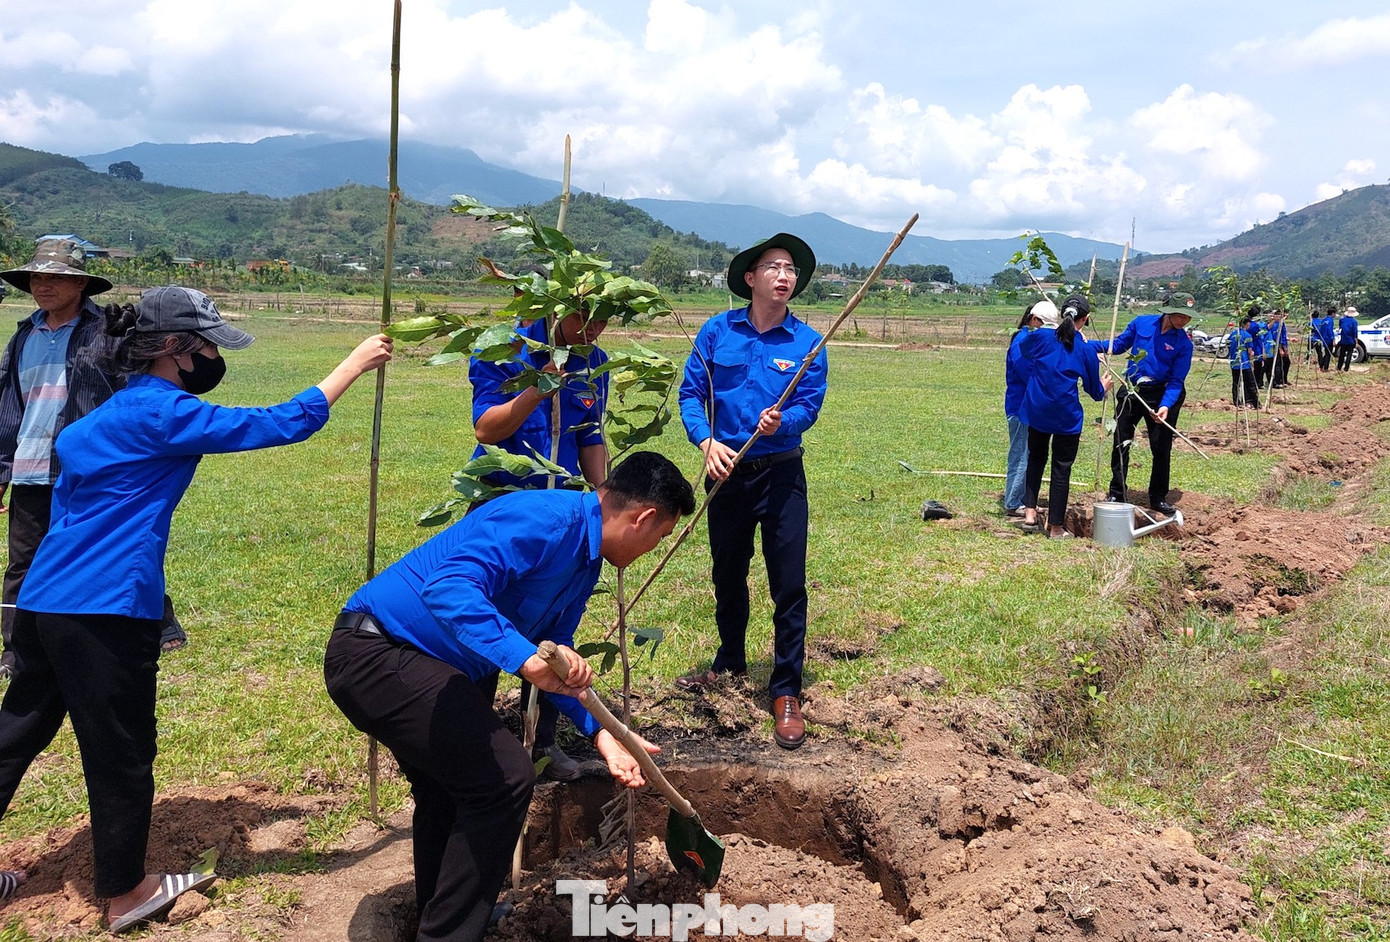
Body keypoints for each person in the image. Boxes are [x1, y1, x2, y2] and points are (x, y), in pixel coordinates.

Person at [0, 286, 392, 931]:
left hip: (43, 600)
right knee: (120, 751)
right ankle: (126, 892)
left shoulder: (93, 420)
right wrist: (353, 362)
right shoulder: (162, 414)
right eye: (207, 346)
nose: (214, 358)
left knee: (16, 733)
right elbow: (283, 422)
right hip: (104, 607)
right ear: (177, 350)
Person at [323, 451, 694, 942]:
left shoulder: (583, 564)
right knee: (503, 780)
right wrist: (523, 658)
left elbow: (558, 665)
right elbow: (449, 587)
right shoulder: (541, 520)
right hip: (378, 653)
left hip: (438, 666)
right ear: (642, 518)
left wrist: (603, 733)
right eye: (661, 536)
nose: (655, 547)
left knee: (449, 790)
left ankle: (440, 916)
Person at [0, 240, 190, 673]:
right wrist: (2, 468)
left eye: (54, 277)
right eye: (36, 276)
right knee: (25, 563)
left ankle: (160, 625)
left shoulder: (109, 331)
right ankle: (19, 649)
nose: (42, 285)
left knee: (112, 549)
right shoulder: (23, 335)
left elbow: (134, 394)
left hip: (92, 471)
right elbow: (9, 406)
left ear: (81, 283)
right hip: (32, 467)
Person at [673, 232, 827, 751]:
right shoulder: (717, 332)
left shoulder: (808, 343)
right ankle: (731, 660)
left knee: (789, 582)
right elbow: (692, 394)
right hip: (728, 474)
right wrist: (706, 440)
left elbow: (810, 404)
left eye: (791, 270)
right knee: (727, 572)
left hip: (782, 474)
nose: (785, 276)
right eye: (774, 267)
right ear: (750, 277)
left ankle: (786, 690)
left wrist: (784, 421)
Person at [469, 301, 610, 781]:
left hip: (565, 517)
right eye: (584, 318)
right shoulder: (503, 350)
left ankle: (542, 742)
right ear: (551, 310)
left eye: (605, 319)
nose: (594, 329)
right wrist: (540, 385)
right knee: (486, 615)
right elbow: (487, 428)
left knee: (552, 624)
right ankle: (473, 736)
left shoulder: (593, 363)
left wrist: (602, 501)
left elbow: (591, 437)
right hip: (503, 510)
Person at [1018, 300, 1111, 539]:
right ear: (1086, 318)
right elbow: (1094, 391)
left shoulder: (1040, 338)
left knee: (1036, 459)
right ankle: (1056, 527)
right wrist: (1104, 385)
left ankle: (1030, 513)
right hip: (1066, 417)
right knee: (1061, 469)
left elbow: (1026, 350)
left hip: (1037, 410)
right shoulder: (1085, 350)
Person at [1097, 292, 1195, 516]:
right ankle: (1117, 492)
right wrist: (1091, 346)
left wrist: (1165, 406)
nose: (1184, 321)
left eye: (1188, 317)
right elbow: (1120, 345)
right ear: (1168, 311)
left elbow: (1176, 381)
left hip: (1162, 393)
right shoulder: (1141, 323)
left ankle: (1158, 497)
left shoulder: (1183, 344)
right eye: (1180, 315)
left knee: (1161, 447)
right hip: (1133, 389)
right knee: (1121, 441)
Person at [1002, 301, 1049, 517]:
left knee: (1025, 452)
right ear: (1033, 320)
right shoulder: (1022, 341)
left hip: (1026, 405)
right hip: (1022, 406)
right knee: (1022, 453)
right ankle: (1013, 501)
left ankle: (1020, 498)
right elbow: (1027, 372)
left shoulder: (1029, 339)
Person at [1229, 313, 1260, 409]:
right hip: (1245, 363)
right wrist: (1252, 362)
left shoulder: (1233, 334)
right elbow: (1250, 352)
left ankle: (1236, 402)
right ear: (1247, 324)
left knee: (1236, 384)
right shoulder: (1247, 335)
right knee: (1250, 384)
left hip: (1234, 363)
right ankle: (1255, 403)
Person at [1268, 309, 1290, 388]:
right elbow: (1276, 337)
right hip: (1276, 346)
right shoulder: (1275, 325)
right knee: (1278, 364)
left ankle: (1283, 379)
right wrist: (1280, 348)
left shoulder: (1281, 323)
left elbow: (1283, 336)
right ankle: (1277, 381)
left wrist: (1285, 347)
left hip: (1282, 345)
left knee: (1286, 362)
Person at [1312, 306, 1336, 372]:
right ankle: (1325, 367)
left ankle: (1321, 366)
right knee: (1328, 354)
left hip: (1323, 338)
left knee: (1325, 353)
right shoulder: (1330, 321)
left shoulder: (1324, 320)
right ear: (1333, 313)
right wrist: (1333, 339)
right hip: (1328, 338)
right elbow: (1330, 330)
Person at [1336, 305, 1360, 372]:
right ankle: (1346, 368)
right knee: (1349, 355)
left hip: (1343, 340)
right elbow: (1355, 333)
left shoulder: (1342, 320)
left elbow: (1340, 328)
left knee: (1342, 355)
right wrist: (1356, 342)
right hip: (1351, 341)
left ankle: (1339, 367)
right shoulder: (1354, 322)